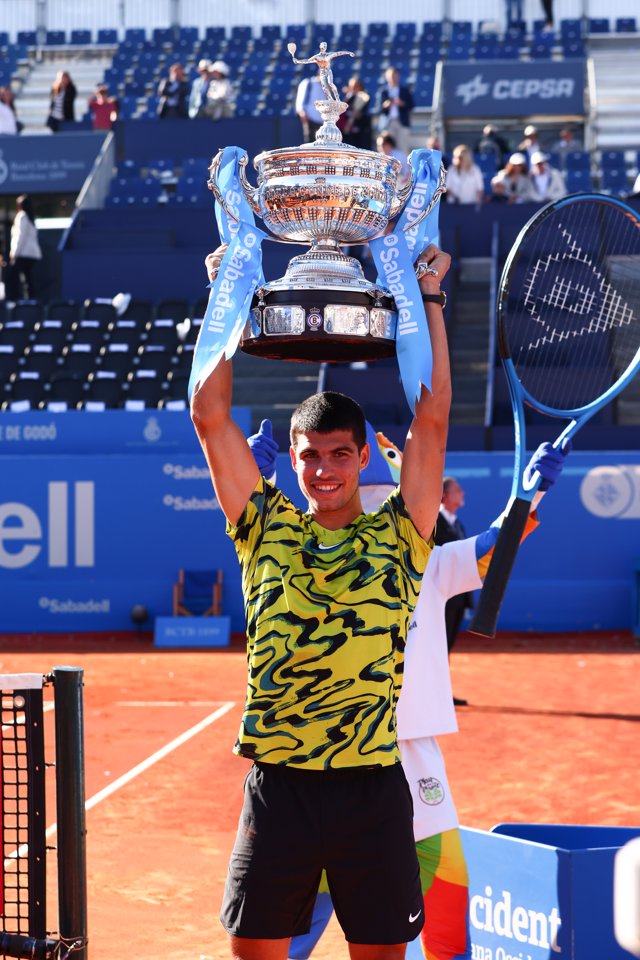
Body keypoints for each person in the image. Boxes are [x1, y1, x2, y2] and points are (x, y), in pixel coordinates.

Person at [191, 240, 452, 959]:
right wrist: (227, 295)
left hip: (371, 792)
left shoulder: (402, 535)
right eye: (310, 454)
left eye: (341, 453)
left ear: (364, 456)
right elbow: (209, 417)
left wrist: (425, 293)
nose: (324, 468)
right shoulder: (262, 524)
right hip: (280, 792)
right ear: (295, 456)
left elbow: (432, 422)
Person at [247, 423, 570, 960]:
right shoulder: (298, 559)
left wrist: (529, 494)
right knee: (289, 932)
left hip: (413, 763)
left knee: (444, 926)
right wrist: (255, 484)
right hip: (321, 768)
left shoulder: (424, 562)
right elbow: (263, 533)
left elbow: (492, 549)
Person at [3, 194, 42, 301]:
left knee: (12, 277)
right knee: (27, 278)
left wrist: (14, 253)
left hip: (23, 254)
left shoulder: (22, 216)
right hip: (33, 255)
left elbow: (20, 236)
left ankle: (14, 300)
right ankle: (30, 299)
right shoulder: (30, 217)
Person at [377, 66, 414, 155]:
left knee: (403, 147)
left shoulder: (404, 90)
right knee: (386, 148)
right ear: (387, 77)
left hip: (402, 122)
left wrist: (402, 103)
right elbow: (378, 109)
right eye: (391, 76)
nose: (393, 78)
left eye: (394, 76)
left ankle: (404, 168)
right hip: (388, 123)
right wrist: (386, 105)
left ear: (398, 76)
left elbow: (411, 105)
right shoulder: (383, 91)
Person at [341, 77, 372, 149]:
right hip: (348, 131)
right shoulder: (349, 97)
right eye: (353, 87)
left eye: (356, 86)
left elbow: (364, 113)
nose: (355, 88)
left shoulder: (364, 97)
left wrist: (358, 114)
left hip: (360, 131)